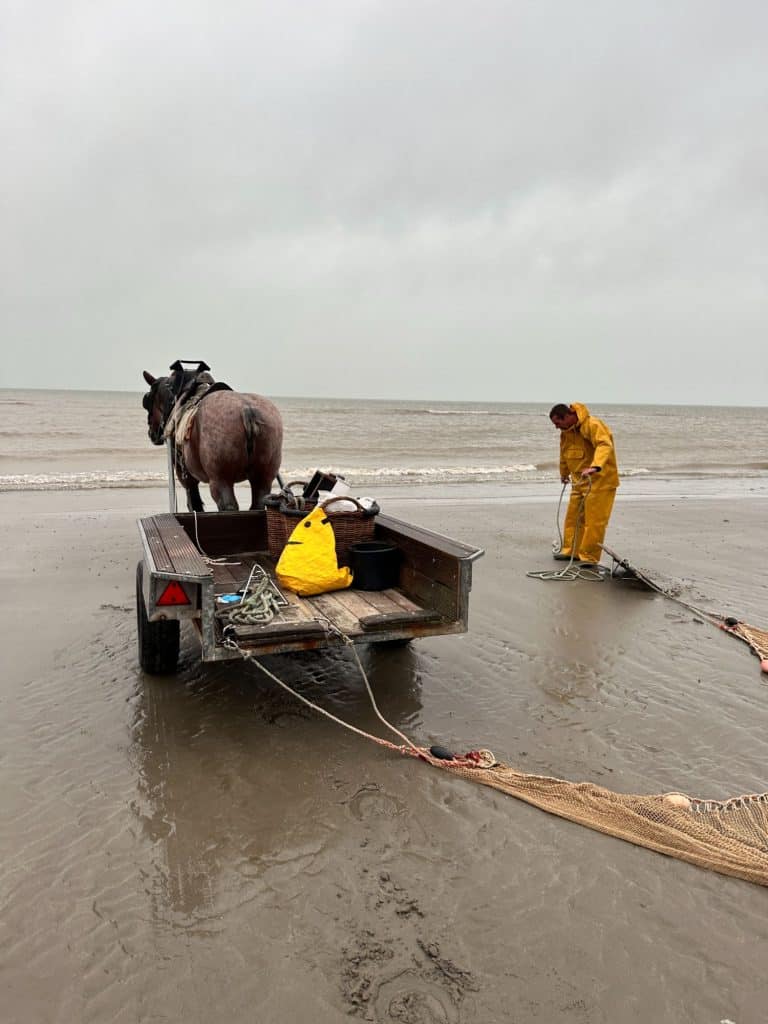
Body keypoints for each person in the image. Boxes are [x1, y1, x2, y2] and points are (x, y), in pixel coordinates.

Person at [549, 403, 619, 567]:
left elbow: (604, 444)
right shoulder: (566, 433)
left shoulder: (592, 424)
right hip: (579, 482)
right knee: (573, 518)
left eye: (558, 423)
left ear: (567, 416)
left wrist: (595, 466)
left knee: (594, 522)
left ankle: (589, 557)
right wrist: (564, 473)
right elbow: (564, 453)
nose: (557, 427)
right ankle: (571, 551)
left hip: (600, 481)